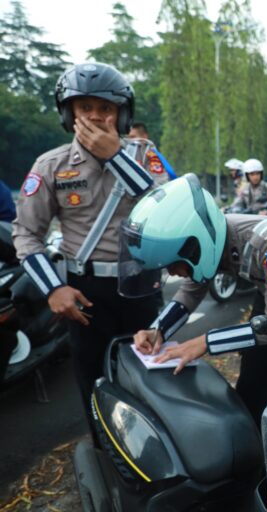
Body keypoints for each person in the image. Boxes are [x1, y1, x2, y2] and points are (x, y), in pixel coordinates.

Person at [12, 62, 167, 432]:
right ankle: (103, 451)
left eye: (106, 108)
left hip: (141, 285)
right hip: (84, 292)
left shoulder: (144, 156)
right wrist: (54, 287)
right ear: (70, 114)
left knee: (152, 376)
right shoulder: (50, 165)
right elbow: (26, 234)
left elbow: (166, 204)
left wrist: (116, 156)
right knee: (93, 380)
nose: (95, 117)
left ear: (122, 114)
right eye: (85, 108)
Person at [128, 175, 267, 422]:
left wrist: (204, 342)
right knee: (252, 382)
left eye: (173, 265)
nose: (172, 273)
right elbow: (191, 291)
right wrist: (158, 330)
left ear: (195, 247)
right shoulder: (210, 240)